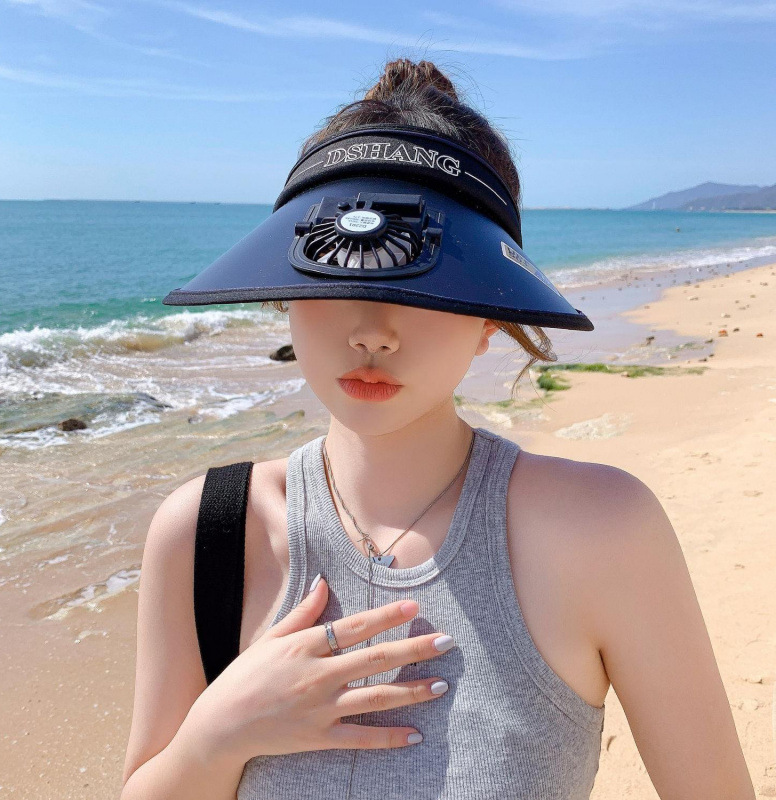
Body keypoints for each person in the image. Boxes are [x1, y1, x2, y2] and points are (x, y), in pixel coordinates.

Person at [120, 59, 755, 799]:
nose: (373, 331)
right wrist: (216, 736)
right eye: (338, 270)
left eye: (424, 284)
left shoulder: (601, 530)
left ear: (490, 315)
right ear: (289, 291)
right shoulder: (207, 533)